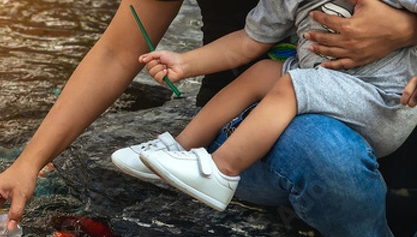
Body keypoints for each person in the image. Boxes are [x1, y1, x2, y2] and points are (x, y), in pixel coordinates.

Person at [0, 0, 417, 237]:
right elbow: (117, 52)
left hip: (392, 106)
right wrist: (29, 162)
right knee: (321, 147)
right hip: (267, 123)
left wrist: (404, 28)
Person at [112, 0, 417, 213]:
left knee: (292, 85)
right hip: (329, 83)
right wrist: (185, 62)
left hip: (385, 101)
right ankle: (178, 149)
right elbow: (249, 41)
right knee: (261, 73)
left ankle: (220, 171)